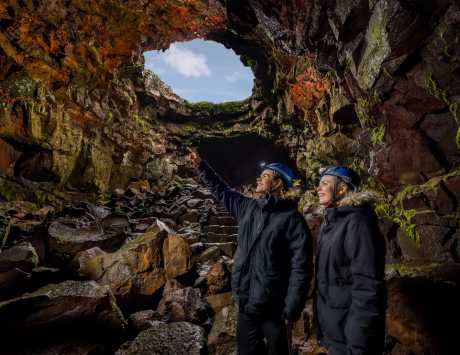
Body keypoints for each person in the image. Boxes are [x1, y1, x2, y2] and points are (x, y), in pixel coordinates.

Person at [188, 148, 312, 355]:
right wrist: (201, 165)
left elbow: (302, 266)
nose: (258, 179)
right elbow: (221, 191)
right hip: (246, 305)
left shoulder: (292, 219)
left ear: (278, 183)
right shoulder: (247, 208)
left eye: (265, 176)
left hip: (274, 308)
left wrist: (292, 308)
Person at [314, 166, 386, 355]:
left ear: (342, 189)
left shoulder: (358, 223)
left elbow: (367, 286)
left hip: (351, 338)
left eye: (325, 183)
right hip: (335, 332)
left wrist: (358, 343)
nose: (318, 188)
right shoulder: (330, 223)